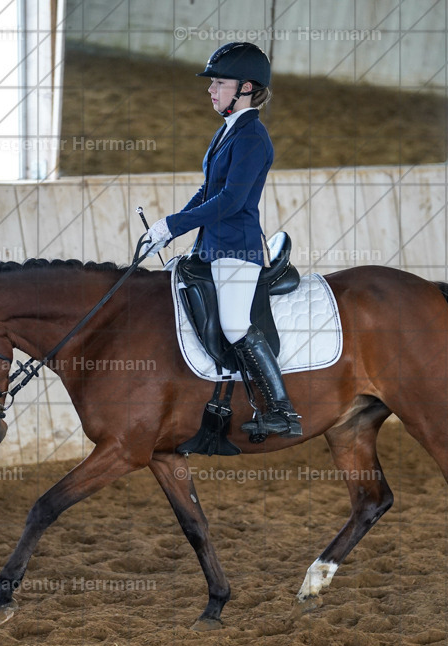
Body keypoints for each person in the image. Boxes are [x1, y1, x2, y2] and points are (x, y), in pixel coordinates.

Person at [145, 41, 301, 438]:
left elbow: (230, 202)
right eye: (212, 84)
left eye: (219, 83)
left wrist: (175, 226)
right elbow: (209, 190)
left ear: (246, 87)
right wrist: (168, 224)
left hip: (238, 247)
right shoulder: (228, 132)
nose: (211, 91)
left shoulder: (252, 137)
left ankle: (282, 411)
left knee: (234, 325)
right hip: (212, 245)